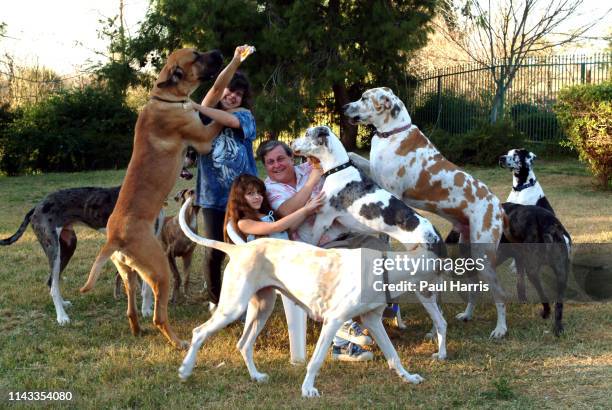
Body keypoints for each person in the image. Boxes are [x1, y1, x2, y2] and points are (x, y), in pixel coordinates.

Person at [257, 140, 391, 362]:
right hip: (318, 247)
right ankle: (342, 338)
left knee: (386, 258)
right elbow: (286, 212)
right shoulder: (270, 187)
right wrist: (311, 183)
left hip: (346, 231)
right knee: (353, 271)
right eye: (270, 162)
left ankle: (368, 317)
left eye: (281, 159)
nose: (276, 165)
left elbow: (337, 161)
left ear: (292, 157)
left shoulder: (309, 166)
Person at [190, 45, 256, 311]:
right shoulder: (206, 114)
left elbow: (229, 122)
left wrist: (194, 105)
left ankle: (245, 298)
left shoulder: (245, 115)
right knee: (215, 251)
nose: (232, 96)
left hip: (243, 196)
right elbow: (216, 89)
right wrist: (235, 61)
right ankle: (216, 302)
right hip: (212, 196)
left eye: (238, 94)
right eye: (230, 91)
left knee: (243, 249)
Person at [223, 174, 325, 243]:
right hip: (269, 265)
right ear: (239, 198)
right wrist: (304, 210)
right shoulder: (244, 223)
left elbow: (286, 229)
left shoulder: (266, 214)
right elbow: (275, 227)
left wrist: (307, 212)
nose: (257, 196)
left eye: (259, 192)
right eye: (250, 193)